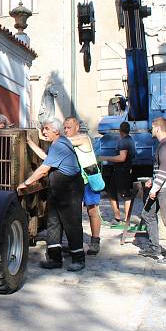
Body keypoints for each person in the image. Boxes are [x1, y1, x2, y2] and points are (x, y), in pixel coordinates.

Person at [18, 117, 86, 271]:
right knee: (53, 223)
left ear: (56, 131)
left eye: (46, 129)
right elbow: (45, 157)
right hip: (58, 190)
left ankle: (78, 260)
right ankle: (55, 259)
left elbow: (43, 169)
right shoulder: (58, 144)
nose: (43, 132)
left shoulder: (59, 146)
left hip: (70, 190)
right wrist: (30, 143)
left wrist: (26, 183)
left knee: (71, 224)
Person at [28, 116, 103, 255]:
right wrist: (32, 143)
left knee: (92, 210)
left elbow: (62, 141)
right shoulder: (63, 143)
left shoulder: (82, 138)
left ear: (77, 128)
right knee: (75, 214)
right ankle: (75, 244)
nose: (66, 130)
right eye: (65, 128)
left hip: (89, 179)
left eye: (69, 128)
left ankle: (95, 241)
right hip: (75, 182)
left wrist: (46, 135)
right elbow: (48, 158)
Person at [140, 117, 166, 265]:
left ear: (157, 128)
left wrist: (155, 188)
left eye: (152, 127)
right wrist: (153, 179)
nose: (151, 130)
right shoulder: (164, 145)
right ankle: (154, 247)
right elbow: (163, 169)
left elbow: (164, 170)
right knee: (147, 213)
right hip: (161, 186)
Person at [100, 121, 135, 229]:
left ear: (120, 130)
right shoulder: (130, 140)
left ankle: (123, 219)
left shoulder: (124, 142)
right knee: (112, 193)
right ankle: (119, 218)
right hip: (122, 170)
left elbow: (122, 158)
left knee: (124, 195)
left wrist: (106, 158)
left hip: (121, 171)